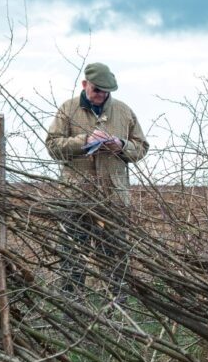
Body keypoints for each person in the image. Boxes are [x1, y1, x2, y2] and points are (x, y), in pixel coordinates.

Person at [45, 62, 148, 298]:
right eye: (96, 89)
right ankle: (72, 307)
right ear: (85, 84)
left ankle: (119, 308)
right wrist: (84, 141)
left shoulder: (124, 112)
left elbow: (141, 147)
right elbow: (52, 146)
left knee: (115, 259)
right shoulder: (68, 110)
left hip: (113, 200)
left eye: (106, 91)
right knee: (72, 258)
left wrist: (121, 145)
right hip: (75, 199)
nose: (101, 94)